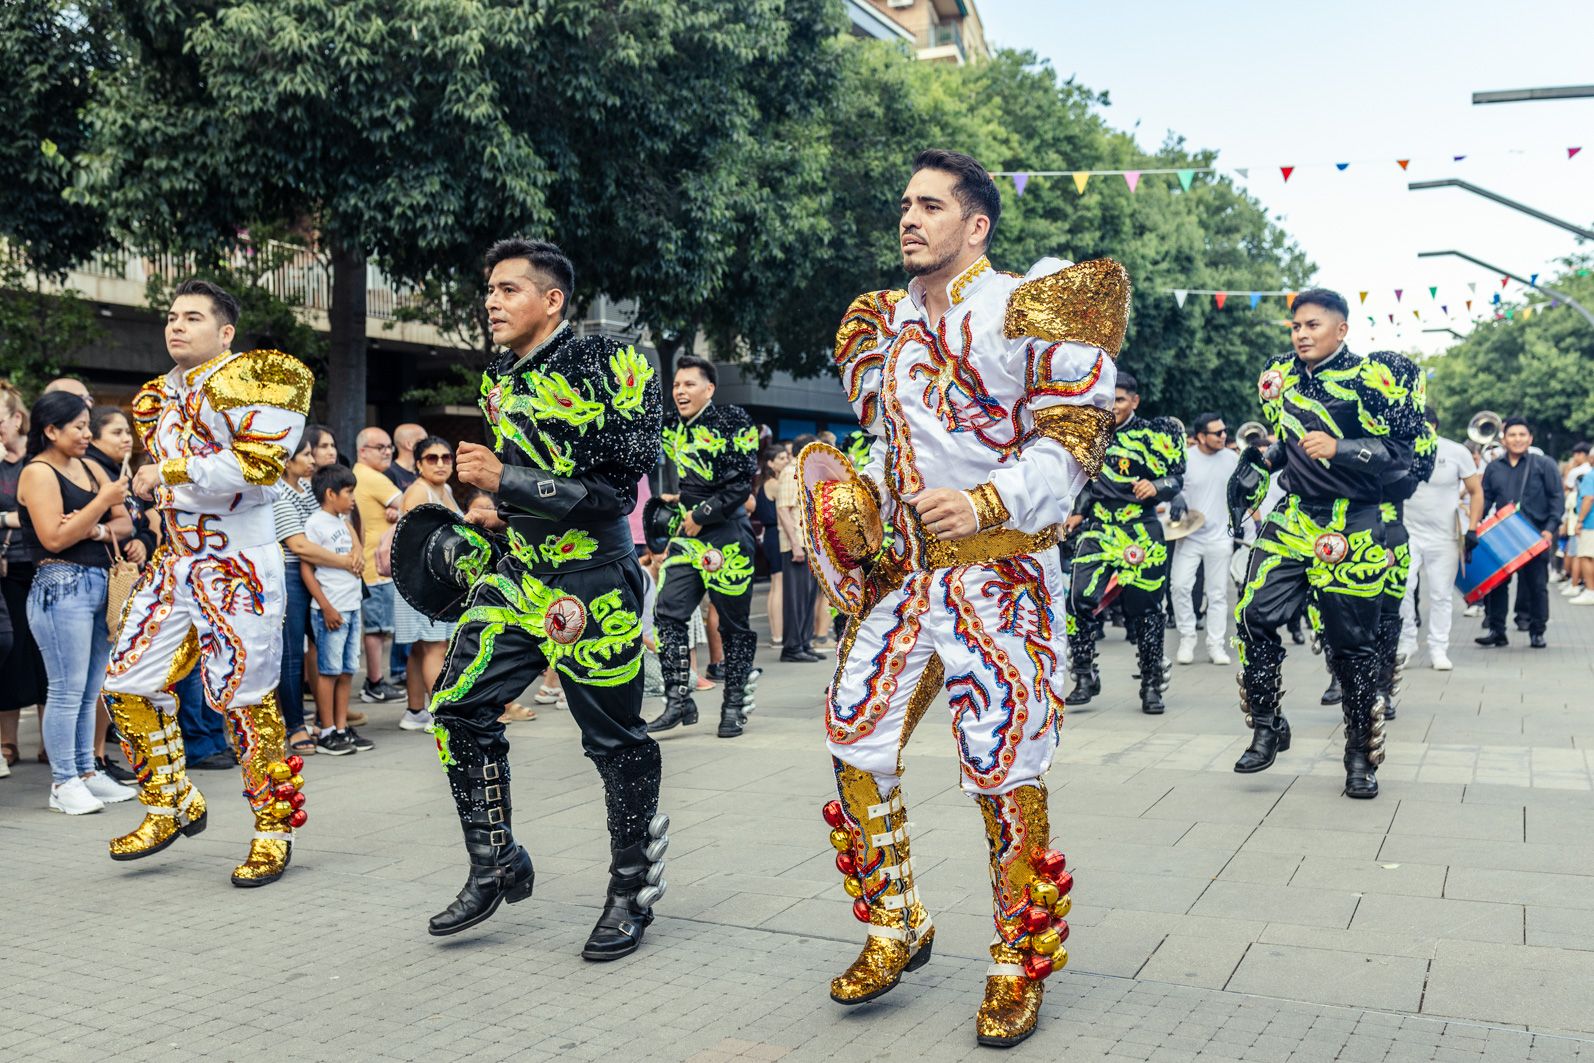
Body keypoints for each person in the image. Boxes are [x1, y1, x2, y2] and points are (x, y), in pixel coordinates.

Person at [814, 149, 1120, 1047]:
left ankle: (1020, 960)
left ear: (976, 225)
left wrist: (985, 501)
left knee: (1002, 766)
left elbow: (1071, 447)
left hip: (1003, 575)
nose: (910, 218)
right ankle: (895, 923)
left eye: (931, 205)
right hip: (908, 576)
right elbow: (886, 446)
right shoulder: (879, 323)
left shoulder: (1030, 307)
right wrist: (852, 509)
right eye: (904, 203)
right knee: (852, 735)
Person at [403, 238, 668, 956]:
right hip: (520, 574)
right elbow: (529, 480)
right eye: (489, 288)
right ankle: (495, 862)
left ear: (552, 300)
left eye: (509, 289)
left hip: (593, 580)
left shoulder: (613, 361)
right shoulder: (499, 377)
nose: (492, 300)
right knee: (456, 708)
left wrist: (506, 484)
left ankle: (631, 888)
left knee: (614, 742)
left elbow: (614, 492)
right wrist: (501, 511)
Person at [102, 278, 312, 885]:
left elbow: (258, 469)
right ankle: (170, 803)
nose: (176, 325)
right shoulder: (155, 399)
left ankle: (273, 828)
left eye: (192, 317)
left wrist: (164, 470)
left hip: (237, 565)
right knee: (127, 683)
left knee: (246, 701)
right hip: (175, 561)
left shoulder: (258, 377)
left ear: (225, 333)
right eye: (171, 316)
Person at [1229, 290, 1422, 800]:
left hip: (1353, 525)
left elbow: (1404, 456)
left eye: (1313, 325)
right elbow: (1285, 444)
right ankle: (1268, 724)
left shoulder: (1371, 380)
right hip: (1292, 520)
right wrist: (1254, 466)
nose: (1301, 334)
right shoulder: (1281, 378)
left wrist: (1344, 449)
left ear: (1341, 330)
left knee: (1352, 649)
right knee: (1252, 615)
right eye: (1295, 326)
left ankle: (1360, 756)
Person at [18, 392, 138, 814]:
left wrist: (95, 528)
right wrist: (100, 506)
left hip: (100, 581)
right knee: (66, 691)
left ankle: (87, 771)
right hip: (59, 584)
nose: (87, 434)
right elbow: (53, 537)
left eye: (89, 425)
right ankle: (63, 780)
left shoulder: (88, 466)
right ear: (50, 430)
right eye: (79, 427)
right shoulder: (37, 472)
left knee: (91, 691)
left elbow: (125, 521)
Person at [645, 355, 760, 739]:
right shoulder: (670, 426)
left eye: (689, 384)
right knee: (667, 612)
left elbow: (740, 485)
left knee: (733, 625)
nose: (680, 391)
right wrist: (679, 503)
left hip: (727, 536)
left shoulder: (732, 420)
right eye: (677, 385)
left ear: (708, 389)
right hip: (686, 535)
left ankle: (733, 706)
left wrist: (700, 515)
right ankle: (679, 699)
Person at [1065, 373, 1185, 714]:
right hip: (1099, 526)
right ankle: (1085, 675)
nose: (1111, 406)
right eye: (1106, 398)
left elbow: (1176, 476)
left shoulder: (1157, 434)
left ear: (1134, 400)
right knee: (1078, 599)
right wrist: (1078, 512)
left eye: (1118, 399)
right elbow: (1087, 481)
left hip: (1141, 529)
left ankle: (1151, 685)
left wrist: (1157, 487)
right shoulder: (1091, 432)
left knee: (1145, 611)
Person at [273, 427, 365, 755]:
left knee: (325, 651)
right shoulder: (277, 492)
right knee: (292, 652)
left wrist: (355, 554)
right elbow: (300, 546)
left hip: (326, 576)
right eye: (307, 454)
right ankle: (295, 725)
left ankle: (330, 724)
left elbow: (340, 520)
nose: (313, 460)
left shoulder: (308, 492)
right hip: (292, 573)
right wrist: (345, 562)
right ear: (286, 459)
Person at [1398, 410, 1483, 669]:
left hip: (1444, 536)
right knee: (1402, 588)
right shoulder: (1400, 448)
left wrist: (1472, 529)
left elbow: (1476, 491)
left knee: (1441, 594)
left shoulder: (1456, 451)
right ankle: (1407, 641)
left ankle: (1438, 648)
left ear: (1434, 425)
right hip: (1407, 532)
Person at [1476, 417, 1562, 648]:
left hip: (1535, 536)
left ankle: (1537, 631)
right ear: (1504, 439)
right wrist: (1473, 528)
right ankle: (1497, 631)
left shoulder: (1545, 465)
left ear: (1530, 438)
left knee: (1536, 586)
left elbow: (1556, 500)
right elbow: (1484, 501)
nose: (1517, 439)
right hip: (1503, 535)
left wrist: (1549, 530)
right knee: (1495, 585)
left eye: (1522, 435)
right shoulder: (1494, 468)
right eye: (1512, 435)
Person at [301, 465, 368, 756]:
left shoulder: (342, 520)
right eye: (348, 492)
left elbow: (355, 541)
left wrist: (355, 543)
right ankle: (326, 728)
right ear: (330, 493)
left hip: (352, 605)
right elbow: (307, 570)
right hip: (331, 608)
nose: (353, 498)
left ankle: (341, 728)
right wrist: (326, 607)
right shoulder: (315, 523)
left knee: (347, 670)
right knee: (328, 671)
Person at [392, 435, 457, 731]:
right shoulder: (419, 493)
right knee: (435, 648)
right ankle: (441, 714)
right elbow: (413, 546)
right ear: (418, 464)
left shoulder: (444, 489)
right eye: (432, 458)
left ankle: (416, 711)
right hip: (421, 583)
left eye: (446, 457)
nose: (441, 463)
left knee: (423, 649)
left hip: (431, 583)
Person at [0, 379, 47, 771]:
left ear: (17, 418)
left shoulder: (38, 462)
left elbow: (40, 513)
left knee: (46, 654)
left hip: (41, 565)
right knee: (12, 653)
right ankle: (7, 743)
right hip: (7, 570)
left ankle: (52, 743)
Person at [1170, 412, 1238, 666]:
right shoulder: (1184, 459)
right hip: (1189, 536)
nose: (1223, 436)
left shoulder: (1232, 459)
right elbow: (1173, 487)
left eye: (1224, 431)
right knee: (1179, 586)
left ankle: (1216, 645)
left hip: (1220, 537)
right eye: (1217, 433)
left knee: (1218, 593)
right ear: (1200, 436)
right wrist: (1175, 498)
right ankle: (1187, 638)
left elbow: (1241, 492)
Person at [353, 427, 404, 703]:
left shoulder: (358, 476)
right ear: (363, 451)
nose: (387, 452)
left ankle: (376, 681)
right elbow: (411, 502)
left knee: (378, 628)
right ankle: (375, 682)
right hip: (377, 565)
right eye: (380, 447)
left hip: (369, 563)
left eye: (388, 447)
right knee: (377, 629)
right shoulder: (373, 478)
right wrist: (399, 514)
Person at [777, 433, 820, 663]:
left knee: (807, 597)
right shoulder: (789, 472)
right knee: (796, 599)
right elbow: (783, 509)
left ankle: (803, 642)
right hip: (796, 545)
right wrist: (795, 545)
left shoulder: (804, 471)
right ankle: (792, 647)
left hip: (807, 544)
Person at [752, 445, 790, 648]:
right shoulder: (775, 484)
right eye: (781, 458)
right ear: (770, 463)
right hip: (776, 534)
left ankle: (777, 634)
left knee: (776, 585)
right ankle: (777, 635)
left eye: (786, 457)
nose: (786, 460)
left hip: (771, 535)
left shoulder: (764, 483)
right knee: (778, 583)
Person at [387, 422, 427, 493]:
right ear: (409, 444)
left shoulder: (423, 470)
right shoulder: (390, 473)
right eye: (423, 441)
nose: (428, 445)